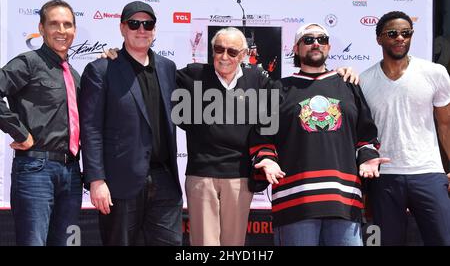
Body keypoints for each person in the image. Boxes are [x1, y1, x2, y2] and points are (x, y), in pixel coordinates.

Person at [103, 27, 359, 246]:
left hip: (239, 177)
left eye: (232, 52)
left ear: (245, 56)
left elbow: (299, 93)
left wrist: (340, 74)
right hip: (201, 175)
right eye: (219, 49)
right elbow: (150, 72)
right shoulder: (192, 75)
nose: (224, 57)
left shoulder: (258, 79)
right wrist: (119, 56)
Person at [248, 23, 389, 246]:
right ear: (296, 48)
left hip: (343, 200)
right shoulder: (277, 89)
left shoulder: (349, 85)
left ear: (329, 46)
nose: (315, 43)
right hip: (295, 201)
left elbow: (366, 135)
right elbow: (262, 137)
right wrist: (266, 159)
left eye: (321, 39)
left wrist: (368, 157)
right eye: (308, 39)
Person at [80, 1, 182, 246]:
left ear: (155, 30)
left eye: (148, 24)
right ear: (122, 28)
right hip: (120, 183)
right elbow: (91, 127)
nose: (141, 29)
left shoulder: (168, 68)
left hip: (165, 179)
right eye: (134, 23)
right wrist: (96, 180)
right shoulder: (102, 69)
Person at [360, 11, 450, 245]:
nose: (400, 38)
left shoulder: (435, 73)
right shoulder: (364, 80)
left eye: (406, 33)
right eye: (392, 33)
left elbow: (445, 123)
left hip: (428, 172)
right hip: (384, 177)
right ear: (379, 38)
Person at [0, 0, 82, 246]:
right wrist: (20, 132)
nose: (61, 30)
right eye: (54, 24)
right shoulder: (28, 63)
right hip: (36, 170)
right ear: (42, 28)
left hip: (72, 174)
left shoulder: (75, 75)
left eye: (67, 24)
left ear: (74, 30)